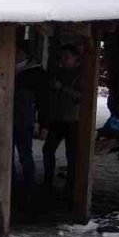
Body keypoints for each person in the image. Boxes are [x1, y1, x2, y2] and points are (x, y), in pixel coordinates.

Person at [41, 45, 82, 199]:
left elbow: (83, 97)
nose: (63, 60)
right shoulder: (58, 73)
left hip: (74, 120)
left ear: (76, 59)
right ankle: (47, 181)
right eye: (61, 57)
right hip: (57, 120)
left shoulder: (82, 75)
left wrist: (63, 88)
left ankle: (71, 186)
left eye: (66, 57)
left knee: (72, 155)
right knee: (48, 149)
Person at [11, 46, 50, 190]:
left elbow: (44, 102)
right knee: (7, 154)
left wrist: (44, 124)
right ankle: (9, 182)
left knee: (25, 153)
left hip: (24, 119)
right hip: (8, 118)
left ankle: (28, 185)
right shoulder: (8, 67)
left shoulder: (38, 74)